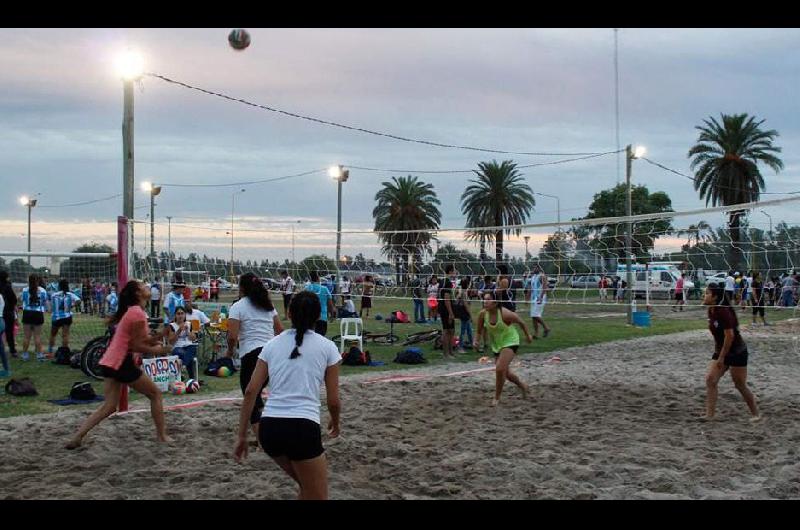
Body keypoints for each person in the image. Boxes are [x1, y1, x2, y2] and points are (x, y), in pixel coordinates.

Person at [233, 291, 341, 500]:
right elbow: (334, 401)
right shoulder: (328, 347)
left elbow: (250, 391)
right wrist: (336, 423)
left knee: (308, 489)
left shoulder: (271, 344)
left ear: (289, 313)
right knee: (317, 494)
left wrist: (241, 435)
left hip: (269, 430)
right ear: (318, 317)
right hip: (301, 428)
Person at [65, 280, 174, 449]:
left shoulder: (133, 312)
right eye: (143, 286)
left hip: (110, 361)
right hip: (122, 361)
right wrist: (159, 350)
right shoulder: (137, 313)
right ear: (138, 294)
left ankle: (78, 436)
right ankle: (162, 436)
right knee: (156, 395)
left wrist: (160, 337)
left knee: (109, 407)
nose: (148, 288)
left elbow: (141, 340)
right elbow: (136, 345)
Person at [226, 272, 283, 443]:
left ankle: (262, 440)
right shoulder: (267, 305)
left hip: (252, 355)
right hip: (272, 353)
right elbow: (279, 330)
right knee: (257, 396)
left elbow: (232, 336)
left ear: (242, 288)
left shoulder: (238, 306)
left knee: (250, 397)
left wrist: (229, 351)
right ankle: (267, 432)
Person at [702, 282, 760, 422]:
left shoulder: (723, 311)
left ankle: (756, 414)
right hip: (721, 350)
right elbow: (718, 336)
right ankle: (709, 415)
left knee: (739, 384)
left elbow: (730, 336)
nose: (704, 296)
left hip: (736, 351)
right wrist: (719, 354)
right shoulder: (711, 309)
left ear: (715, 297)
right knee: (711, 380)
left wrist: (722, 358)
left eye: (707, 293)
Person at [473, 292, 532, 407]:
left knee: (500, 369)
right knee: (507, 374)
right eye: (484, 299)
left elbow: (521, 322)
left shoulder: (505, 314)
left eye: (488, 299)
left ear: (495, 303)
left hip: (511, 341)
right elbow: (479, 331)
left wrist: (528, 335)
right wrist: (476, 341)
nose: (485, 302)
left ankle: (496, 398)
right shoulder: (482, 314)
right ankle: (523, 386)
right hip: (497, 345)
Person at [48, 279, 81, 355]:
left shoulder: (54, 295)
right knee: (65, 335)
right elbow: (79, 300)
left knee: (53, 334)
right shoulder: (70, 294)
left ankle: (50, 351)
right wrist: (71, 306)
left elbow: (52, 305)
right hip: (67, 317)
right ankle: (64, 351)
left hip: (56, 317)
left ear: (59, 286)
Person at [21, 274, 48, 362]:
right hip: (38, 314)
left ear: (29, 281)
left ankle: (25, 355)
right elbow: (44, 302)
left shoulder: (25, 290)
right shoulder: (43, 290)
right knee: (37, 336)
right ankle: (39, 355)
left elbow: (23, 300)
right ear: (38, 281)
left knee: (27, 336)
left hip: (27, 313)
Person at [167, 306, 199, 381]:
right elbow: (171, 341)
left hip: (188, 346)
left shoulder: (189, 324)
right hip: (177, 347)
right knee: (184, 354)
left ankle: (183, 366)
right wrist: (178, 331)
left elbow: (193, 338)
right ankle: (192, 379)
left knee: (193, 348)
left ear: (185, 315)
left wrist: (187, 331)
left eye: (182, 313)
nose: (180, 316)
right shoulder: (171, 326)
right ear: (175, 315)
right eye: (178, 314)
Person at [304, 271, 335, 336]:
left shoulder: (306, 289)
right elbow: (330, 305)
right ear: (318, 278)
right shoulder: (324, 289)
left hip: (309, 318)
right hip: (322, 318)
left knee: (309, 339)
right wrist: (332, 315)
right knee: (320, 339)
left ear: (310, 279)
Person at [525, 265, 551, 339]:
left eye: (535, 267)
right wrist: (527, 299)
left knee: (536, 315)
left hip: (540, 298)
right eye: (533, 267)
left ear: (539, 268)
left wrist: (541, 297)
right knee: (533, 317)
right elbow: (530, 289)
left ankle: (546, 328)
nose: (534, 269)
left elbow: (545, 287)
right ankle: (536, 334)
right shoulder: (533, 277)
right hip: (534, 298)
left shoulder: (542, 276)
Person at [439, 264, 457, 360]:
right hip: (446, 309)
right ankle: (447, 353)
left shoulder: (442, 281)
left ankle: (450, 352)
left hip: (443, 308)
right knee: (447, 331)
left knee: (451, 330)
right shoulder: (447, 282)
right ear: (450, 272)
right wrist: (451, 313)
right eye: (454, 271)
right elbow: (446, 299)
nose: (455, 273)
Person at [0, 271, 18, 358]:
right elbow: (14, 299)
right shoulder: (8, 286)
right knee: (9, 332)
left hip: (1, 312)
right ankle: (13, 351)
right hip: (7, 312)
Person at [456, 277, 473, 354]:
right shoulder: (463, 292)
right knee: (463, 331)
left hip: (463, 313)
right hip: (464, 313)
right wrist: (471, 315)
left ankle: (472, 344)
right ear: (467, 284)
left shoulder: (462, 291)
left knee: (469, 330)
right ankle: (460, 347)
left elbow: (457, 299)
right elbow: (466, 305)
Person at [0, 292, 9, 377]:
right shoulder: (1, 296)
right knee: (1, 348)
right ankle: (6, 369)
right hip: (1, 321)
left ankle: (6, 370)